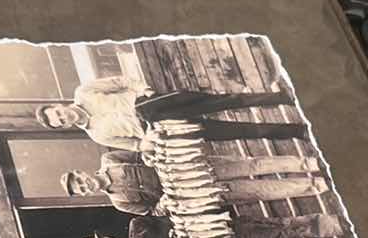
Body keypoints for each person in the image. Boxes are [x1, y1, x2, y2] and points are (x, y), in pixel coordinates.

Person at [35, 75, 306, 149]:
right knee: (229, 132)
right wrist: (146, 142)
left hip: (149, 104)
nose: (63, 117)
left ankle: (282, 96)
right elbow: (136, 146)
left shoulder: (84, 91)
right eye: (59, 122)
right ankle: (297, 131)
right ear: (63, 127)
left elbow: (121, 82)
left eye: (57, 112)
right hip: (157, 129)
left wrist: (145, 89)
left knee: (223, 101)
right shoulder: (97, 137)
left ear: (59, 105)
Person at [62, 153, 332, 214]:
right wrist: (163, 204)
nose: (87, 186)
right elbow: (154, 211)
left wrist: (151, 152)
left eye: (81, 181)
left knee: (252, 165)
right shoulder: (120, 202)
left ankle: (306, 164)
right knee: (256, 191)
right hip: (192, 191)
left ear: (81, 172)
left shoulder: (111, 158)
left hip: (187, 166)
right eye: (82, 190)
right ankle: (314, 186)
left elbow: (141, 150)